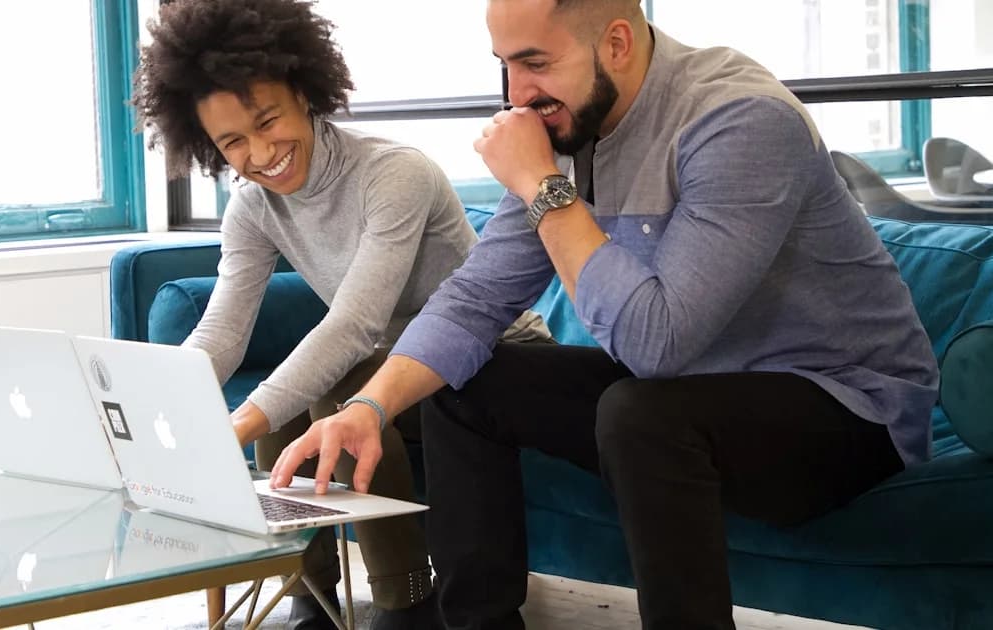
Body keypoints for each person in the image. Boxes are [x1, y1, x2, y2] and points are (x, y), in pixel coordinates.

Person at [269, 1, 940, 628]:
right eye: (503, 64)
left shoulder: (740, 120)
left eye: (534, 62)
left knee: (640, 413)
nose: (514, 95)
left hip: (847, 409)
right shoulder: (570, 125)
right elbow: (473, 301)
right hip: (685, 396)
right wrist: (369, 407)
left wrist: (541, 185)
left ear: (616, 42)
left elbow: (657, 346)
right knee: (466, 386)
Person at [131, 1, 549, 628]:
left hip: (495, 362)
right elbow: (220, 334)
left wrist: (233, 427)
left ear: (306, 93)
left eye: (268, 120)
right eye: (233, 142)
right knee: (291, 401)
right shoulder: (252, 208)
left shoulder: (393, 174)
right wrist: (156, 407)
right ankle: (311, 592)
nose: (261, 152)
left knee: (333, 385)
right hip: (400, 378)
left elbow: (355, 325)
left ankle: (405, 602)